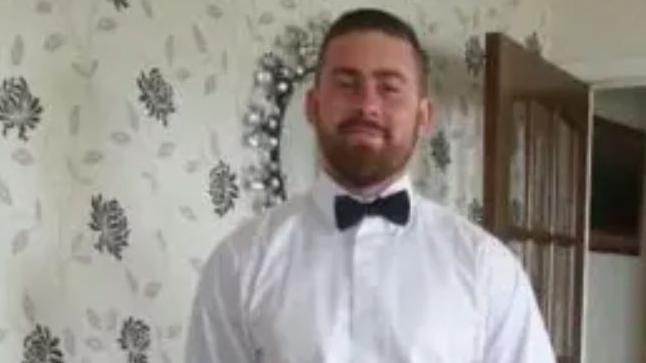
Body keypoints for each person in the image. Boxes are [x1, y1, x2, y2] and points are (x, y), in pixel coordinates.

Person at [186, 8, 555, 363]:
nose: (368, 106)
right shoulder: (239, 264)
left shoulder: (488, 270)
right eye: (347, 85)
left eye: (389, 88)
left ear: (423, 117)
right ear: (313, 107)